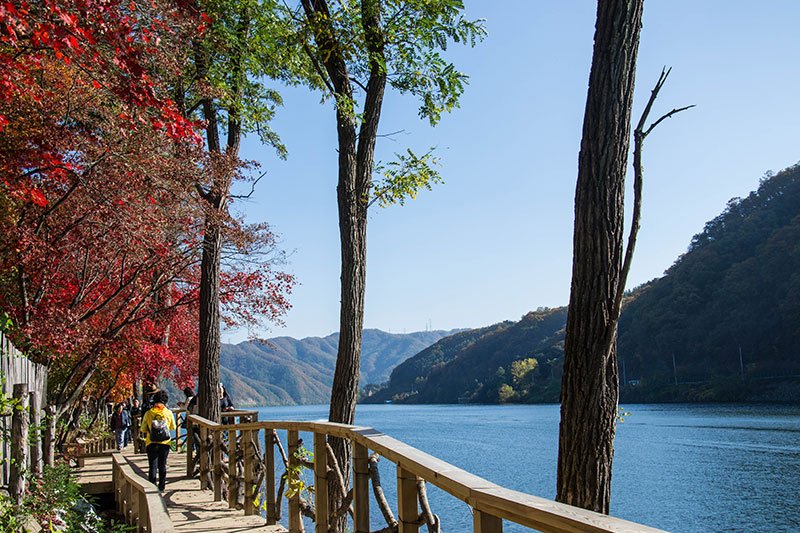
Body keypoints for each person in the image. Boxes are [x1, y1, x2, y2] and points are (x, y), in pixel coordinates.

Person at [139, 390, 176, 492]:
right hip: (165, 443)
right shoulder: (168, 412)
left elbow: (143, 428)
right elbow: (173, 427)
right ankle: (162, 486)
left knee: (152, 466)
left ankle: (152, 487)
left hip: (151, 442)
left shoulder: (149, 413)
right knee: (162, 465)